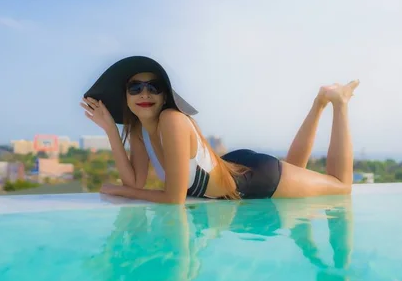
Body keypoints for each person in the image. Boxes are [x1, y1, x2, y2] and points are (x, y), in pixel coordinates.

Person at [81, 55, 360, 203]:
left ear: (165, 96)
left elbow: (173, 198)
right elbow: (135, 183)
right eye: (135, 87)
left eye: (154, 86)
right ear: (126, 97)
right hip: (233, 167)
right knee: (295, 167)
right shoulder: (139, 131)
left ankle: (340, 102)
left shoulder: (173, 120)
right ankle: (319, 103)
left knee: (341, 186)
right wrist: (111, 131)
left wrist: (116, 191)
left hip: (251, 179)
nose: (145, 93)